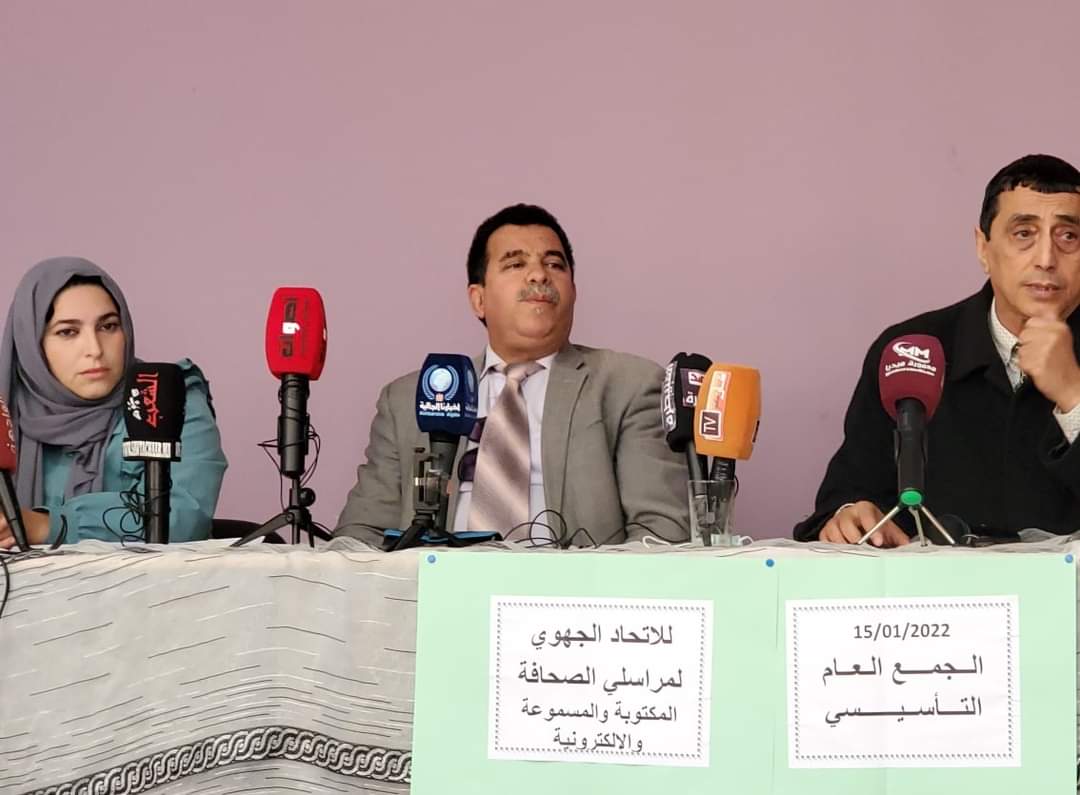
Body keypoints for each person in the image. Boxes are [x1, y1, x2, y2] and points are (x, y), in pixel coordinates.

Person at [335, 203, 688, 547]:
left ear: (574, 292)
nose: (539, 275)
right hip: (434, 583)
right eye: (516, 264)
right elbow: (360, 538)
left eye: (554, 264)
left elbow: (660, 534)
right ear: (479, 299)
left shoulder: (627, 386)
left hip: (572, 584)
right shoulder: (407, 399)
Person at [794, 153, 1080, 546]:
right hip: (934, 586)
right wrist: (849, 515)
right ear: (983, 248)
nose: (1046, 259)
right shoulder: (912, 349)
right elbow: (844, 496)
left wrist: (1072, 394)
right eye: (1023, 233)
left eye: (1069, 236)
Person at [0, 257, 227, 548]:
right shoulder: (6, 411)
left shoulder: (166, 395)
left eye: (108, 326)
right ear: (32, 344)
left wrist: (49, 525)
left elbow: (182, 518)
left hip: (152, 578)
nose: (94, 349)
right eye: (68, 332)